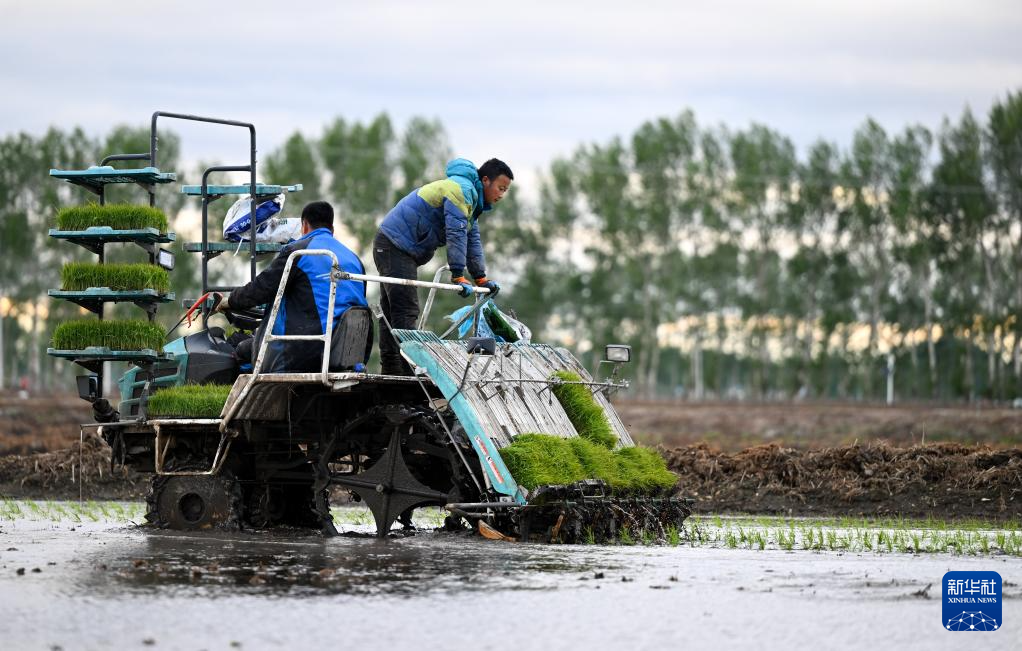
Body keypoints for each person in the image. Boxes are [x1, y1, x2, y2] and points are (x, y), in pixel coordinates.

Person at [374, 157, 513, 375]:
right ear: (485, 180)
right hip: (394, 244)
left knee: (393, 310)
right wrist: (457, 274)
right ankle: (403, 372)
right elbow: (456, 234)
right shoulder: (461, 191)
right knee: (405, 309)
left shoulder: (472, 201)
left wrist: (480, 278)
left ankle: (393, 369)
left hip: (399, 246)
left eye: (505, 191)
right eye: (501, 188)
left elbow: (472, 240)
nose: (502, 195)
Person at [215, 201, 368, 372]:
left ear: (304, 225)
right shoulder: (354, 258)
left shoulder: (298, 252)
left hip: (307, 350)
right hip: (347, 352)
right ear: (332, 228)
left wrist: (230, 302)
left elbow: (261, 288)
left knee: (241, 348)